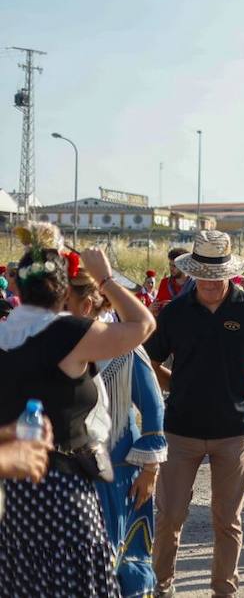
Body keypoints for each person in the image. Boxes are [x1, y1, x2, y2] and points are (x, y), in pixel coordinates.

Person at [0, 223, 156, 597]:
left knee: (21, 581)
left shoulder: (4, 333)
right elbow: (143, 325)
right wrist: (105, 278)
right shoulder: (71, 333)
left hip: (11, 490)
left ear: (17, 290)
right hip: (63, 490)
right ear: (65, 291)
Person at [144, 230, 244, 598]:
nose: (209, 283)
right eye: (202, 276)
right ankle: (161, 588)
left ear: (229, 273)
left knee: (227, 520)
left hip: (233, 430)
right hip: (180, 430)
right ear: (192, 273)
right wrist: (176, 385)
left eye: (215, 275)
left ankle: (224, 591)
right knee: (170, 516)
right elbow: (149, 361)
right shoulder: (175, 312)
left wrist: (238, 393)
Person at [94, 290, 168, 598]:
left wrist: (150, 469)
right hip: (78, 468)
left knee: (124, 554)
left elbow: (153, 407)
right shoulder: (59, 344)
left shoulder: (125, 347)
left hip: (122, 466)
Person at [154, 248, 193, 313]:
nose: (171, 268)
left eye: (174, 266)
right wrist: (153, 308)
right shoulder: (165, 283)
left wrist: (174, 306)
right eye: (170, 265)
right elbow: (158, 308)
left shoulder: (195, 285)